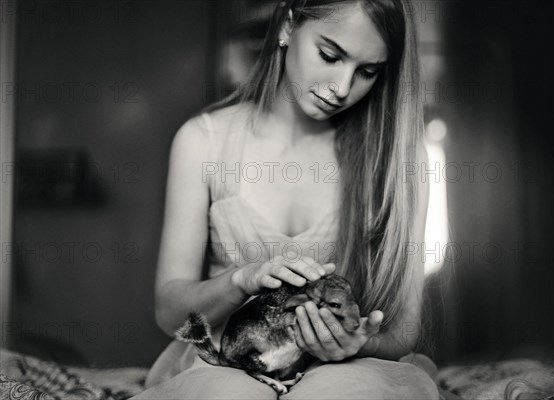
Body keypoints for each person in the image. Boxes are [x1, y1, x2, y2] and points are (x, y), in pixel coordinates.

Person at [132, 0, 439, 398]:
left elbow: (405, 330)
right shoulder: (203, 141)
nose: (342, 88)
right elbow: (170, 313)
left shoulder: (399, 159)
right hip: (228, 361)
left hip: (345, 371)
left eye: (367, 72)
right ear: (288, 25)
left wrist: (361, 344)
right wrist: (241, 280)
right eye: (330, 55)